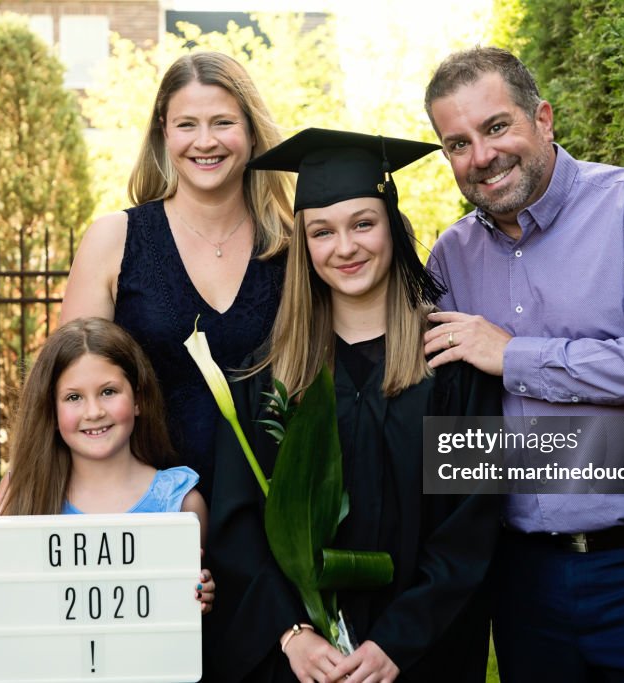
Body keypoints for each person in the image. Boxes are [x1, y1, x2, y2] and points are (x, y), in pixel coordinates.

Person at [421, 46, 624, 680]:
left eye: (496, 126)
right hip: (523, 582)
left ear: (544, 118)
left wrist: (513, 355)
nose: (481, 156)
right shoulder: (450, 257)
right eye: (457, 143)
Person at [206, 128, 502, 683]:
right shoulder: (269, 379)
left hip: (421, 656)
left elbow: (470, 528)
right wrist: (293, 634)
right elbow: (237, 526)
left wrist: (397, 641)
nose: (345, 248)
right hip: (305, 665)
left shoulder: (453, 368)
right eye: (322, 232)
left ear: (392, 224)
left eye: (363, 223)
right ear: (305, 245)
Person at [60, 52, 293, 501]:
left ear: (251, 131)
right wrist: (7, 512)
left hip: (279, 518)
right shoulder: (116, 239)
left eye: (223, 122)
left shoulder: (294, 244)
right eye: (187, 125)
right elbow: (66, 387)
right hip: (153, 518)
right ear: (163, 133)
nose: (204, 141)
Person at [0, 318, 214, 614]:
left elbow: (178, 616)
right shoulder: (23, 491)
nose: (93, 412)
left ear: (138, 399)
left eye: (108, 391)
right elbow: (18, 610)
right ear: (51, 411)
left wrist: (195, 599)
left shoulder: (180, 503)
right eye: (73, 397)